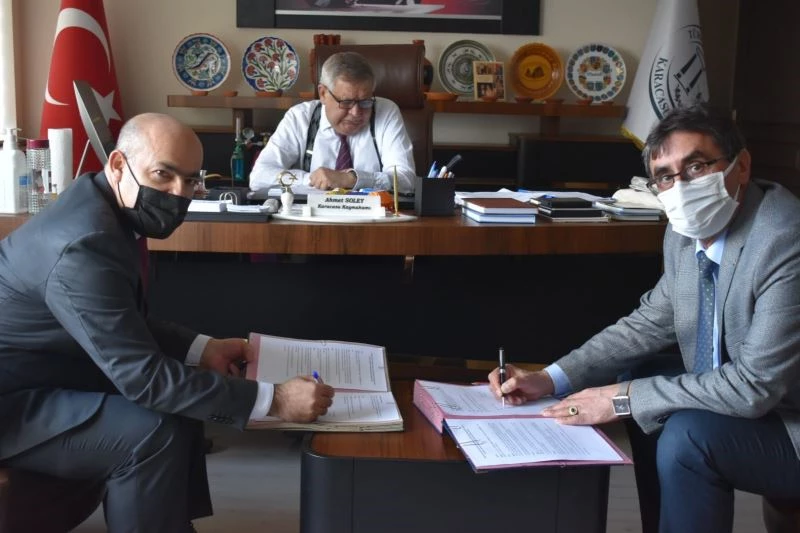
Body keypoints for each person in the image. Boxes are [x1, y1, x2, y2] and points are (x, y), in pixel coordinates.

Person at [0, 113, 335, 532]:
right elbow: (143, 379)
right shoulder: (83, 244)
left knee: (180, 401)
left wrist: (202, 349)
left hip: (47, 372)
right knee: (153, 431)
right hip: (13, 404)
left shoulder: (101, 204)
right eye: (163, 174)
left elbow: (116, 320)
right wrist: (274, 400)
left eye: (190, 180)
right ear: (118, 164)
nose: (179, 194)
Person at [489, 104, 800, 533]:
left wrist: (622, 399)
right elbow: (647, 324)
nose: (681, 187)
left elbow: (754, 387)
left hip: (789, 419)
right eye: (665, 176)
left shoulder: (784, 239)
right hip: (764, 403)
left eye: (696, 166)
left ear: (741, 166)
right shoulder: (683, 231)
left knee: (686, 434)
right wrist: (550, 378)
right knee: (644, 372)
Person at [249, 51, 416, 193]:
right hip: (311, 217)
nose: (356, 112)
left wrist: (352, 179)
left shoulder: (386, 112)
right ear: (323, 94)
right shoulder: (300, 117)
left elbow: (406, 179)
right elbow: (259, 177)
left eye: (365, 102)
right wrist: (312, 179)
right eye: (346, 102)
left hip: (372, 217)